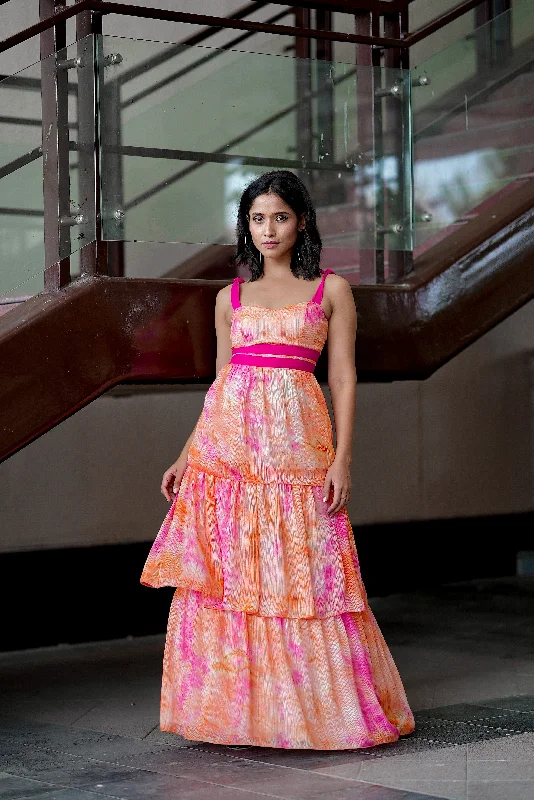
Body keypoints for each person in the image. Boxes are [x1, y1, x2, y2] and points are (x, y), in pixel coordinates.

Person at [140, 170, 415, 749]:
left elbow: (341, 376)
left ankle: (317, 714)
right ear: (247, 225)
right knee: (234, 577)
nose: (268, 229)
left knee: (311, 577)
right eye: (257, 218)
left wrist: (342, 460)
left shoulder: (330, 291)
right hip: (230, 460)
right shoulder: (227, 299)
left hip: (298, 453)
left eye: (280, 217)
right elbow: (221, 387)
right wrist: (186, 455)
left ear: (303, 221)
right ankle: (240, 715)